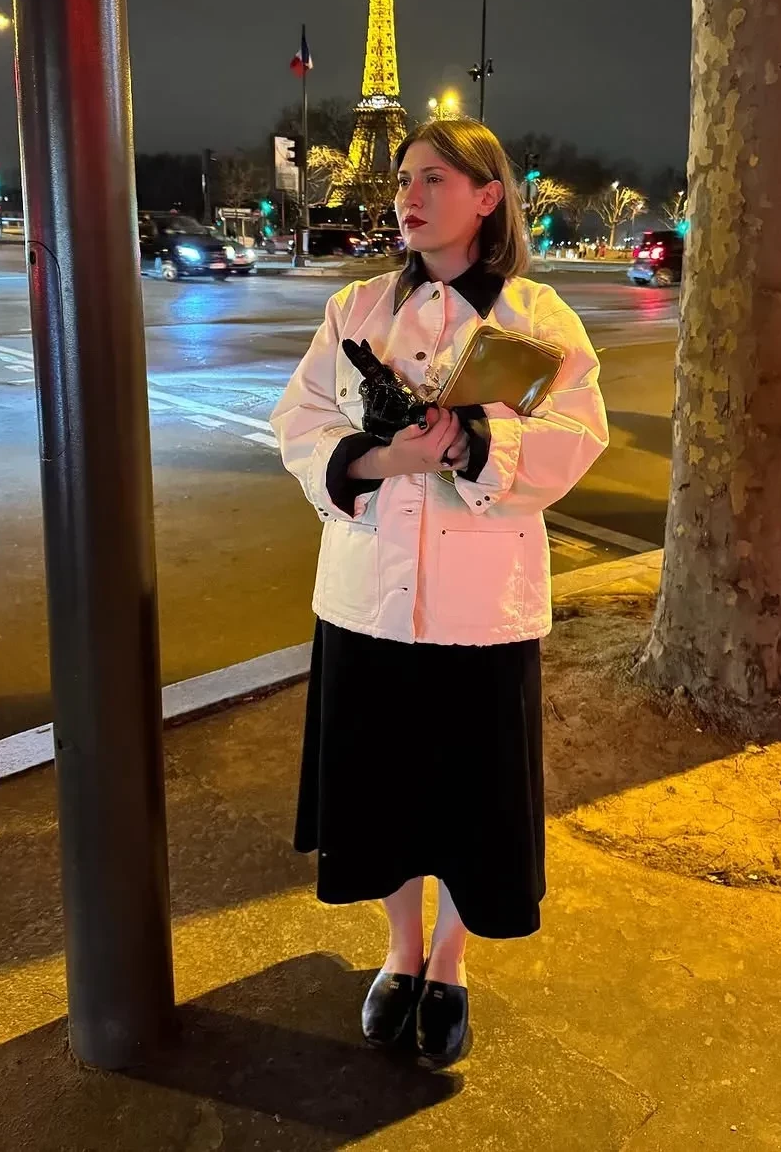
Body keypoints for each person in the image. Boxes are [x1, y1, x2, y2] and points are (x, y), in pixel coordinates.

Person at [270, 118, 609, 1069]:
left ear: (487, 197)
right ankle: (400, 950)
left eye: (433, 180)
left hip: (480, 606)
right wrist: (378, 458)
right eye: (403, 181)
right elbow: (299, 418)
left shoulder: (538, 318)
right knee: (379, 793)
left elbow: (579, 436)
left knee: (470, 800)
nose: (408, 198)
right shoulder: (356, 309)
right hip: (366, 598)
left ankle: (450, 961)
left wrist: (468, 444)